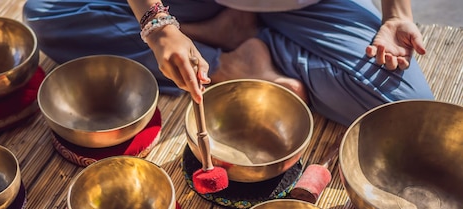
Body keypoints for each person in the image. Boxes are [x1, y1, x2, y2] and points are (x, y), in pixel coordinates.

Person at [22, 0, 434, 126]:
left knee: (405, 112)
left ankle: (240, 34)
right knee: (45, 15)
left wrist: (396, 13)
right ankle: (224, 53)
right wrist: (157, 22)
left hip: (305, 5)